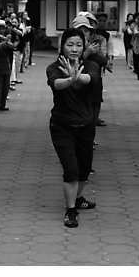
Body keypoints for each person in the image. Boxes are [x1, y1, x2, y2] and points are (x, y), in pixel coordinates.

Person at [46, 28, 100, 228]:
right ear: (62, 47)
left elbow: (90, 80)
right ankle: (71, 210)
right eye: (70, 44)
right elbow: (57, 84)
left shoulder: (91, 65)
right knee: (71, 170)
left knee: (84, 169)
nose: (74, 49)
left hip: (86, 126)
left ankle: (77, 198)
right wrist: (70, 78)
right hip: (61, 126)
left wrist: (78, 76)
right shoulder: (53, 67)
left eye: (78, 44)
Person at [0, 19, 16, 113]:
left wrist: (8, 42)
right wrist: (5, 43)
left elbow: (13, 47)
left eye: (3, 29)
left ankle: (2, 104)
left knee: (5, 87)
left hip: (6, 64)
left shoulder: (5, 38)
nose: (1, 31)